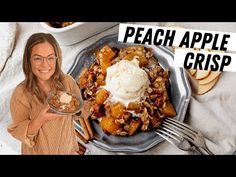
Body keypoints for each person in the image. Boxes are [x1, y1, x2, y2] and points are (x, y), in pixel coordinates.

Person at [8, 33, 83, 154]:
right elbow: (18, 131)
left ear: (57, 58)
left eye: (50, 57)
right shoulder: (21, 93)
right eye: (38, 58)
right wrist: (40, 119)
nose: (45, 64)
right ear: (28, 61)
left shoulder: (67, 81)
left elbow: (79, 111)